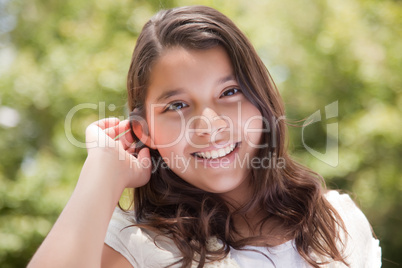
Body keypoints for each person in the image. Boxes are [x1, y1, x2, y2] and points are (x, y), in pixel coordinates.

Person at [28, 5, 381, 268]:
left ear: (263, 101)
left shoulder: (337, 220)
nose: (209, 125)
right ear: (144, 131)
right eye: (178, 105)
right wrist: (102, 171)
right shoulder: (134, 245)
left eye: (229, 92)